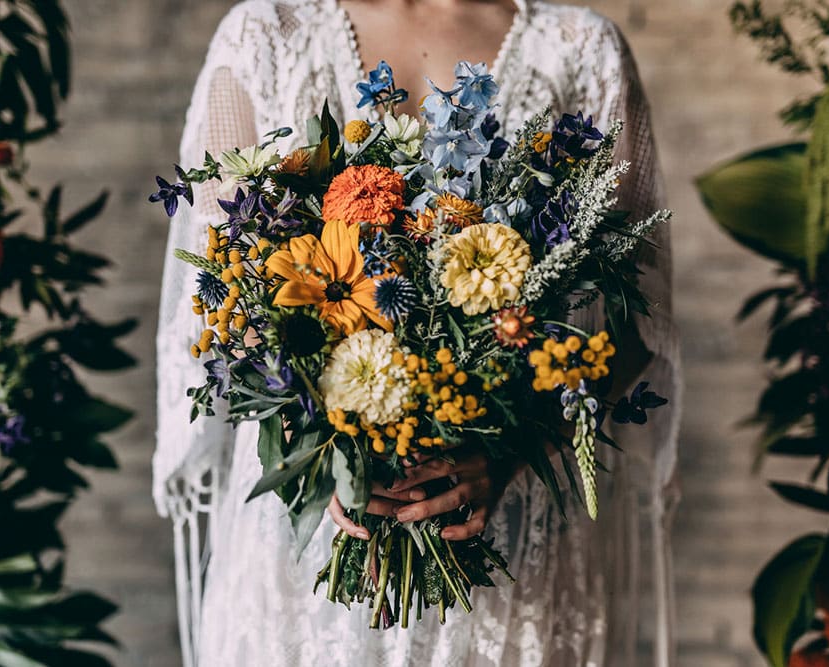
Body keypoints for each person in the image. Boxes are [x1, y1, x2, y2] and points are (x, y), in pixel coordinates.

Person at [154, 0, 681, 664]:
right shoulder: (267, 37)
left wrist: (511, 449)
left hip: (511, 544)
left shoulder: (581, 51)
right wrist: (315, 443)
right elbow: (220, 287)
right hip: (306, 556)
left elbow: (637, 315)